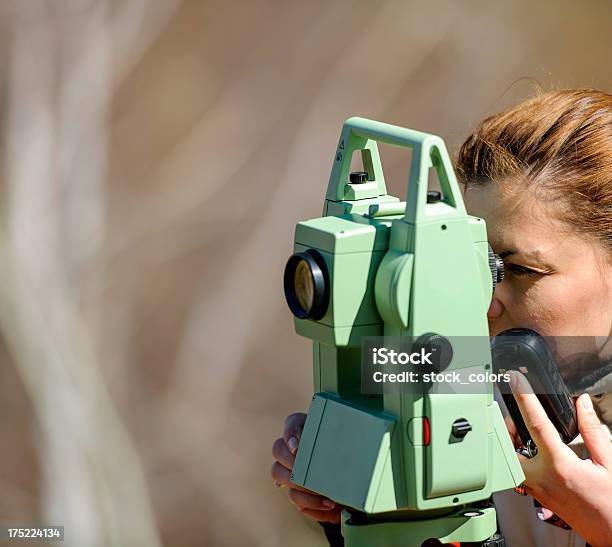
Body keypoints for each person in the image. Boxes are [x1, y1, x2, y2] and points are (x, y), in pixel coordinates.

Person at [271, 89, 612, 547]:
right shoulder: (459, 398)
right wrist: (362, 512)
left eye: (522, 270)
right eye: (468, 267)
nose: (482, 302)